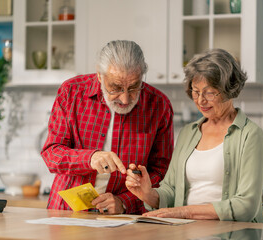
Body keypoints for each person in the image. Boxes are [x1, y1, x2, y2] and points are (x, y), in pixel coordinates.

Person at [126, 48, 263, 222]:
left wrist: (184, 212)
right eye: (195, 91)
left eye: (209, 92)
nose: (200, 100)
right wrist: (148, 194)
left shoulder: (249, 134)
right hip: (187, 233)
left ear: (228, 89)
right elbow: (171, 191)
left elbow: (246, 206)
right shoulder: (188, 133)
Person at [41, 40, 174, 214]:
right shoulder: (71, 92)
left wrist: (124, 202)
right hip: (66, 213)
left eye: (134, 87)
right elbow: (51, 154)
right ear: (99, 75)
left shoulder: (159, 106)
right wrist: (90, 158)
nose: (125, 99)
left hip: (123, 220)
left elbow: (162, 173)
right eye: (115, 88)